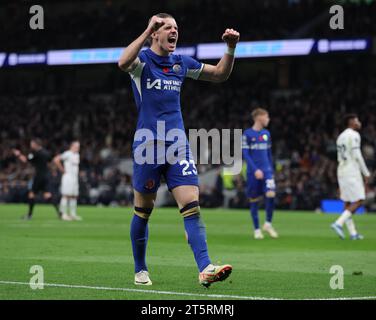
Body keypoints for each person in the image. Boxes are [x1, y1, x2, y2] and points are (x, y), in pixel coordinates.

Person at [118, 13, 240, 287]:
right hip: (147, 146)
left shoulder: (181, 63)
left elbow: (220, 74)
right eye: (167, 28)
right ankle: (140, 269)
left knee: (191, 205)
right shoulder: (143, 63)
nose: (174, 32)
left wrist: (230, 48)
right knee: (143, 210)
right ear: (155, 33)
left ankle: (205, 267)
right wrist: (146, 28)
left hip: (178, 145)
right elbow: (123, 62)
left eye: (176, 28)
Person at [331, 114, 370, 240]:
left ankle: (353, 233)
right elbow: (357, 155)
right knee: (360, 199)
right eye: (357, 120)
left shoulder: (340, 136)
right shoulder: (354, 135)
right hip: (351, 170)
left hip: (341, 169)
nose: (359, 122)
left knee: (347, 201)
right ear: (351, 122)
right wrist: (366, 173)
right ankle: (338, 223)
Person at [242, 108, 278, 239]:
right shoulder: (247, 134)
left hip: (267, 171)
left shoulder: (266, 134)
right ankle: (257, 229)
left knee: (271, 193)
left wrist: (271, 170)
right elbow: (245, 154)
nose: (268, 119)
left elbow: (268, 154)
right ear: (259, 118)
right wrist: (255, 169)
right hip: (253, 172)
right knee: (254, 200)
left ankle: (268, 223)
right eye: (266, 117)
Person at [12, 138, 61, 220]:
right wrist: (53, 171)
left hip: (39, 176)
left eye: (32, 144)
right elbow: (51, 162)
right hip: (46, 176)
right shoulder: (46, 152)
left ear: (35, 144)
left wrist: (18, 154)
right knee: (47, 195)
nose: (31, 145)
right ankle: (59, 212)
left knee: (31, 194)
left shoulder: (35, 153)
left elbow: (25, 160)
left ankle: (29, 215)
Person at [53, 141, 82, 221]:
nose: (78, 148)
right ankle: (63, 214)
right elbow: (56, 159)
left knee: (74, 196)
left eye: (78, 147)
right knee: (66, 195)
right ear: (71, 146)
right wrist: (62, 170)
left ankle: (73, 214)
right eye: (76, 146)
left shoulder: (77, 155)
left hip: (74, 178)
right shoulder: (67, 153)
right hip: (68, 177)